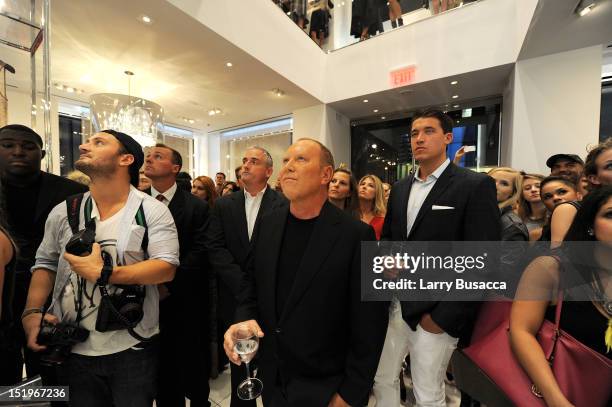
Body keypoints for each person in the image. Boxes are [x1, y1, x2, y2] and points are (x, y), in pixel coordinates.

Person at [224, 138, 388, 406]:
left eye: (300, 159)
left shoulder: (357, 234)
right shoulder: (268, 225)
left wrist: (350, 392)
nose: (288, 167)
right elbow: (250, 287)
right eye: (286, 160)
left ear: (326, 174)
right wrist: (243, 320)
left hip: (327, 384)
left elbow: (371, 322)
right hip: (274, 377)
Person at [22, 130, 179, 406]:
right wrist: (33, 311)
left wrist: (106, 273)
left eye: (98, 142)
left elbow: (165, 267)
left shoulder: (151, 210)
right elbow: (45, 263)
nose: (83, 146)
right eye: (87, 141)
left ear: (126, 159)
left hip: (132, 345)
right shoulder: (65, 211)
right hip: (72, 346)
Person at [374, 109, 500, 407]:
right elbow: (391, 236)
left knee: (427, 391)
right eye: (414, 133)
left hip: (437, 311)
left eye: (428, 131)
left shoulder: (474, 185)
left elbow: (483, 257)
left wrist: (444, 317)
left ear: (447, 138)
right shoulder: (401, 187)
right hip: (396, 304)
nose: (419, 138)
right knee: (382, 377)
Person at [0, 124, 87, 385]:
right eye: (8, 146)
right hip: (4, 295)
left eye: (28, 147)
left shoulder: (70, 192)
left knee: (52, 378)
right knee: (6, 379)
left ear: (42, 153)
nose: (18, 152)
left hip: (50, 297)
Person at [510, 185, 612, 407]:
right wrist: (556, 399)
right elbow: (521, 331)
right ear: (590, 226)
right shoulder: (552, 269)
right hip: (562, 394)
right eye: (610, 215)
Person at [205, 146, 285, 407]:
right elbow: (214, 247)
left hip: (272, 298)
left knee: (273, 364)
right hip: (236, 298)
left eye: (254, 161)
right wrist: (242, 284)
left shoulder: (283, 204)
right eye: (244, 161)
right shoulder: (225, 204)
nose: (246, 166)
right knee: (240, 366)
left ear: (269, 171)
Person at [143, 144, 211, 407]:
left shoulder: (196, 207)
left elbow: (200, 251)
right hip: (143, 298)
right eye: (148, 156)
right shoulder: (135, 202)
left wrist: (167, 283)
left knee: (192, 365)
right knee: (160, 369)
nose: (149, 159)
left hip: (185, 299)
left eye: (158, 156)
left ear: (175, 168)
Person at [539, 176, 583, 245]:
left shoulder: (565, 208)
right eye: (548, 196)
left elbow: (558, 252)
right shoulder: (546, 228)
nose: (556, 198)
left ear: (579, 195)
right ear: (544, 204)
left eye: (562, 192)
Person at [488, 167, 528, 242]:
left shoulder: (512, 226)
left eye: (504, 184)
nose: (495, 185)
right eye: (491, 180)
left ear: (513, 192)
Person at [517, 173, 547, 241]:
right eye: (527, 188)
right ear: (522, 194)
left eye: (538, 186)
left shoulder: (555, 216)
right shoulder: (518, 220)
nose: (533, 190)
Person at [357, 174, 386, 240]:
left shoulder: (383, 221)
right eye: (362, 184)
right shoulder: (348, 213)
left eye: (370, 186)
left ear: (377, 192)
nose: (364, 187)